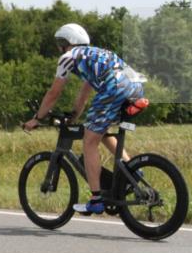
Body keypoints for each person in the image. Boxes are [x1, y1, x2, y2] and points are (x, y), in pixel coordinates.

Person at [23, 23, 146, 214]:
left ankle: (96, 199)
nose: (58, 48)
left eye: (59, 44)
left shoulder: (68, 57)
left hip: (114, 88)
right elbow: (83, 95)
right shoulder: (95, 55)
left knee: (89, 141)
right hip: (136, 88)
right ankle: (132, 171)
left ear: (66, 43)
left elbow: (54, 92)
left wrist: (37, 118)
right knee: (99, 130)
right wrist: (74, 115)